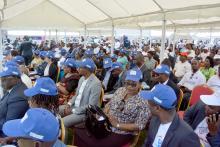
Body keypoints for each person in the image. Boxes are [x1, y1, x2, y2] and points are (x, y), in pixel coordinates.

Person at [74, 68, 151, 147]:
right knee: (79, 132)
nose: (129, 87)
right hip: (106, 125)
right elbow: (110, 104)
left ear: (140, 84)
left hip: (121, 132)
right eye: (127, 83)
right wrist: (103, 114)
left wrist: (117, 124)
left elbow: (139, 125)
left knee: (94, 143)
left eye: (133, 84)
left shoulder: (144, 101)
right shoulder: (120, 90)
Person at [59, 58, 102, 127]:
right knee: (56, 110)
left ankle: (61, 134)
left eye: (80, 67)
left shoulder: (96, 83)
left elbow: (91, 105)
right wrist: (69, 104)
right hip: (75, 106)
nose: (77, 69)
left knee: (62, 122)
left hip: (85, 113)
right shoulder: (82, 78)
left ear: (87, 70)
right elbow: (77, 95)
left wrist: (73, 111)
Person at [0, 64, 29, 137]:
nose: (1, 83)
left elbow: (8, 125)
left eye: (4, 79)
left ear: (15, 78)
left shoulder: (18, 97)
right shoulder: (14, 88)